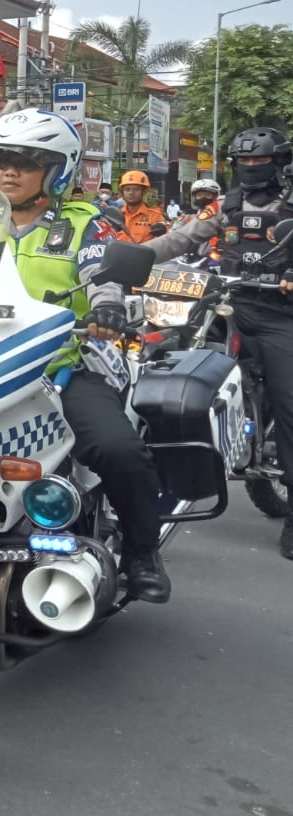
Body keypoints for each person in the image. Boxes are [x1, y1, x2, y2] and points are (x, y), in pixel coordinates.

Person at [0, 110, 170, 601]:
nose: (10, 172)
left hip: (56, 368)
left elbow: (104, 273)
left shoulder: (83, 225)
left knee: (117, 449)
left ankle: (142, 553)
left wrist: (107, 307)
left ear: (57, 169)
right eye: (2, 159)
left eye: (27, 161)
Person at [142, 128, 293, 560]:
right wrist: (131, 257)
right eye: (243, 164)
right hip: (230, 303)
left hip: (282, 314)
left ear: (278, 164)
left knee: (289, 403)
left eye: (258, 163)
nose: (250, 171)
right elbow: (181, 239)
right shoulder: (225, 206)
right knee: (176, 364)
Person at [116, 170, 166, 243]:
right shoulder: (115, 216)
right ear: (122, 192)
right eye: (127, 189)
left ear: (144, 192)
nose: (131, 193)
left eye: (136, 189)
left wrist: (162, 230)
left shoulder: (155, 217)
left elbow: (165, 241)